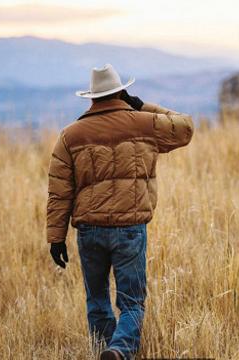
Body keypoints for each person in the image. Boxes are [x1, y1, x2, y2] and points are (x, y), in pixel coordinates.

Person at [46, 64, 194, 360]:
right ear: (121, 92)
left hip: (89, 231)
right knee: (132, 302)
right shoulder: (142, 123)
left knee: (97, 299)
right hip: (129, 229)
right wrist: (141, 105)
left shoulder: (70, 135)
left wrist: (56, 237)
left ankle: (104, 349)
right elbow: (185, 127)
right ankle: (119, 350)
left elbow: (59, 191)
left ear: (91, 98)